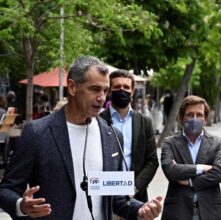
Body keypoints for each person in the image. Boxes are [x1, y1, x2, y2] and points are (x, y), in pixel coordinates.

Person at [0, 56, 162, 220]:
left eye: (105, 91)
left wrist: (140, 209)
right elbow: (6, 190)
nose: (101, 97)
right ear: (72, 87)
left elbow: (115, 197)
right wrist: (21, 205)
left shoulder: (112, 135)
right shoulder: (37, 132)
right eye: (95, 89)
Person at [160, 95, 221, 220]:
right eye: (190, 115)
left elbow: (220, 173)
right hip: (178, 211)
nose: (195, 119)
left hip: (210, 210)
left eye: (199, 115)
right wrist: (201, 168)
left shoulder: (217, 143)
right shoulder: (170, 142)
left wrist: (190, 181)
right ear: (181, 118)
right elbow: (170, 170)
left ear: (205, 119)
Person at [100, 69, 159, 203]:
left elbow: (152, 161)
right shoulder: (98, 120)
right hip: (104, 196)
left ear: (132, 91)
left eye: (126, 87)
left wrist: (134, 188)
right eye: (117, 87)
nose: (122, 90)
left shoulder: (144, 122)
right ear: (109, 91)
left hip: (136, 197)